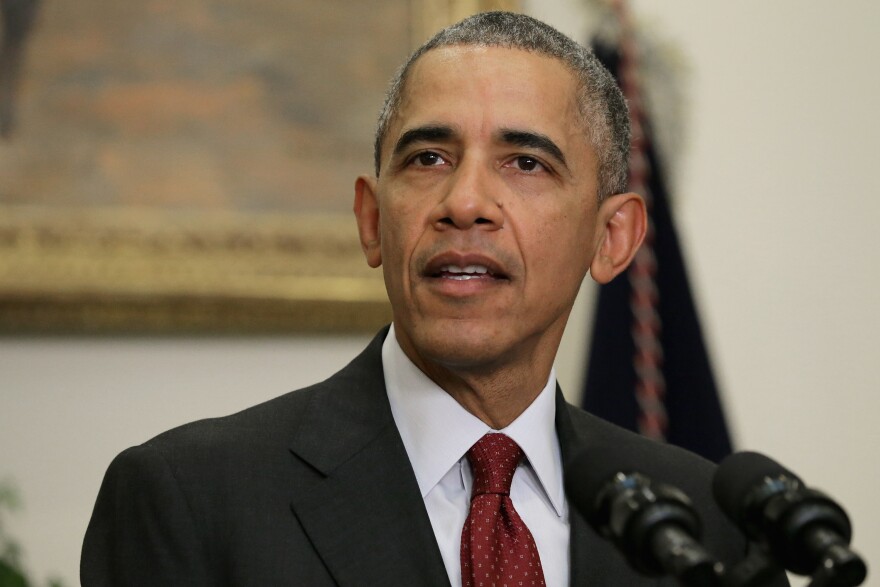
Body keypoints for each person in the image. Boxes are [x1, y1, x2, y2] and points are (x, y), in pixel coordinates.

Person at [81, 11, 788, 587]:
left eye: (525, 163)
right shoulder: (188, 498)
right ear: (371, 219)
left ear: (612, 237)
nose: (466, 202)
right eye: (428, 159)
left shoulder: (702, 521)